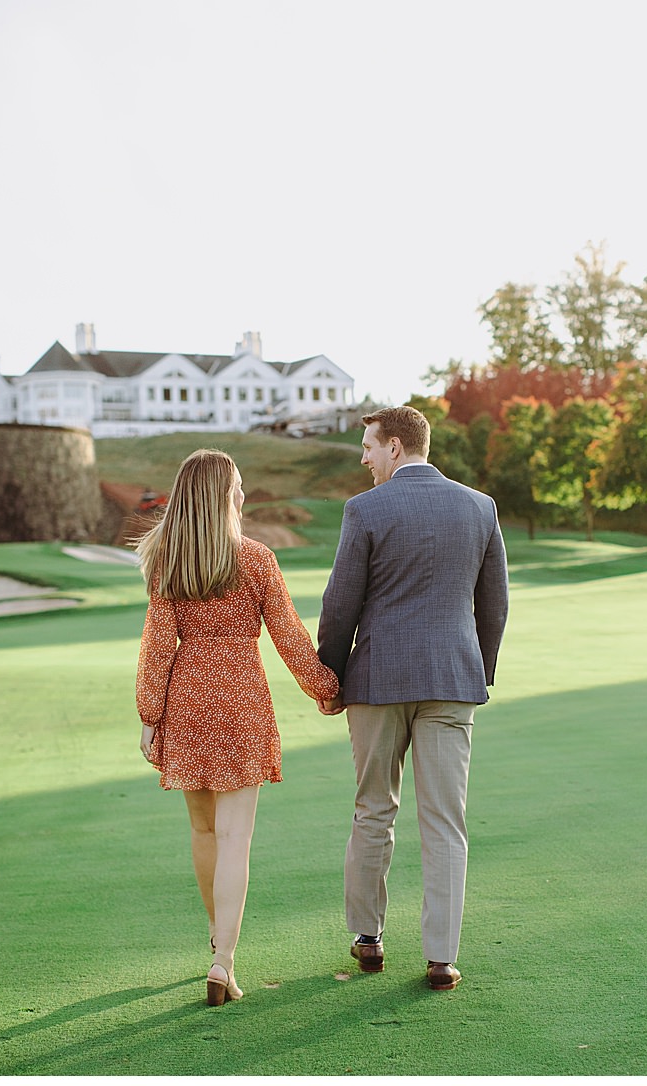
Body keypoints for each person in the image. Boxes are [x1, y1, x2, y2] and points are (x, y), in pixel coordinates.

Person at [134, 449, 341, 1007]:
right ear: (223, 496)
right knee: (235, 839)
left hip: (188, 704)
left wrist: (151, 715)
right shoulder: (257, 560)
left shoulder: (169, 563)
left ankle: (216, 946)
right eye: (239, 488)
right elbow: (290, 636)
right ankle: (224, 960)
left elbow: (157, 646)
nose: (245, 496)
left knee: (204, 835)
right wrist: (325, 687)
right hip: (241, 704)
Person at [316, 405, 508, 992]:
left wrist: (331, 676)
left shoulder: (364, 509)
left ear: (396, 446)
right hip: (453, 681)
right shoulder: (480, 507)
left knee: (375, 809)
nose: (365, 459)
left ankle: (369, 939)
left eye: (370, 447)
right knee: (445, 820)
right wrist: (480, 671)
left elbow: (340, 603)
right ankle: (442, 957)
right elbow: (494, 605)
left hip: (376, 682)